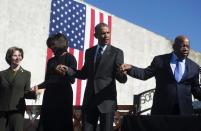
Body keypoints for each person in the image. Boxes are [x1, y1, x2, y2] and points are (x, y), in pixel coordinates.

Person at [67, 23, 127, 131]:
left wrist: (122, 74)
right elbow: (84, 74)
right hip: (90, 100)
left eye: (108, 33)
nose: (106, 36)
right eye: (103, 33)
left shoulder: (117, 52)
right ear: (96, 35)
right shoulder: (89, 52)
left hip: (106, 101)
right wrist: (69, 70)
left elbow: (121, 78)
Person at [121, 35, 201, 115]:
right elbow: (144, 74)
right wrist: (130, 68)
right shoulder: (160, 61)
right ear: (174, 47)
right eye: (182, 46)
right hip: (162, 110)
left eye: (188, 46)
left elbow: (196, 89)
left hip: (184, 113)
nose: (186, 49)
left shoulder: (194, 67)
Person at [34, 33, 77, 131]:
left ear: (61, 43)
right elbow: (48, 81)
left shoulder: (70, 58)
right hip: (49, 96)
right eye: (50, 45)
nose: (51, 48)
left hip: (64, 96)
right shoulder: (50, 61)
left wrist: (65, 71)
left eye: (53, 45)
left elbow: (73, 80)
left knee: (63, 123)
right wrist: (38, 87)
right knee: (47, 123)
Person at [0, 47, 36, 131]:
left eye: (19, 55)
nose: (18, 58)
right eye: (15, 55)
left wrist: (34, 93)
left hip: (17, 110)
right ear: (9, 57)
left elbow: (26, 92)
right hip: (2, 110)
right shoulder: (1, 74)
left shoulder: (27, 74)